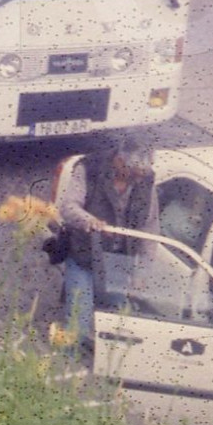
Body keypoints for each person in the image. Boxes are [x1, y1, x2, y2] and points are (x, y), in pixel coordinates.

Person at [54, 132, 159, 345]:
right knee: (78, 324)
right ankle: (70, 358)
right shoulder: (89, 169)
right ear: (120, 161)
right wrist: (89, 221)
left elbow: (150, 228)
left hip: (118, 261)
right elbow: (68, 207)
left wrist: (143, 272)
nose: (138, 178)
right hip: (84, 255)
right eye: (134, 173)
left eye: (142, 174)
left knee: (120, 322)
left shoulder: (145, 180)